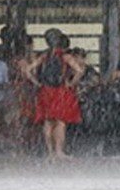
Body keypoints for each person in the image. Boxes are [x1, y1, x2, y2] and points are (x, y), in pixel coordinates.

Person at [28, 29, 84, 160]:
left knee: (47, 121)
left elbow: (28, 70)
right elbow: (80, 71)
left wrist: (37, 83)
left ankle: (50, 153)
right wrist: (71, 83)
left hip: (46, 91)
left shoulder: (44, 56)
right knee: (60, 122)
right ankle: (59, 151)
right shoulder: (65, 56)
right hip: (60, 91)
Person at [9, 35, 40, 154]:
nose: (29, 47)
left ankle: (29, 144)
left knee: (32, 117)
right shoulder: (19, 60)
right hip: (23, 91)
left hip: (30, 91)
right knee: (22, 117)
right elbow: (23, 75)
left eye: (30, 45)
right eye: (28, 45)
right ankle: (22, 144)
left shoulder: (34, 58)